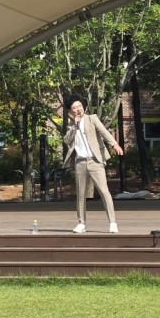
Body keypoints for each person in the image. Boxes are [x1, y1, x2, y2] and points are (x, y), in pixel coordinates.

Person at [63, 98, 124, 233]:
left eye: (80, 106)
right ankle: (81, 223)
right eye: (74, 107)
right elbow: (67, 140)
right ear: (70, 111)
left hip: (95, 160)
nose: (78, 109)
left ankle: (112, 222)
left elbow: (104, 132)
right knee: (81, 193)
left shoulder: (92, 118)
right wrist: (74, 126)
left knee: (104, 191)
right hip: (80, 162)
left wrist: (114, 144)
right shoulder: (71, 126)